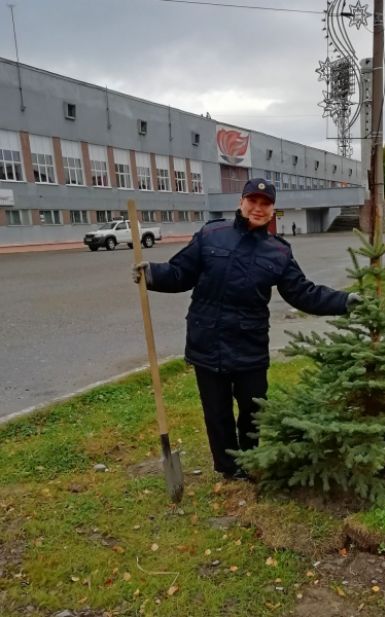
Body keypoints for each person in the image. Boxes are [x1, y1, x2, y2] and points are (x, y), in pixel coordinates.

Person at [132, 178, 361, 481]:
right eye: (252, 201)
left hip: (249, 343)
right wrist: (152, 274)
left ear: (272, 210)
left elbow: (303, 293)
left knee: (253, 409)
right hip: (207, 339)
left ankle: (251, 460)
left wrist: (345, 301)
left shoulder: (278, 252)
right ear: (241, 202)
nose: (258, 208)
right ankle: (228, 468)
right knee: (217, 412)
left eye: (265, 203)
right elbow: (180, 273)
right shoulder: (211, 235)